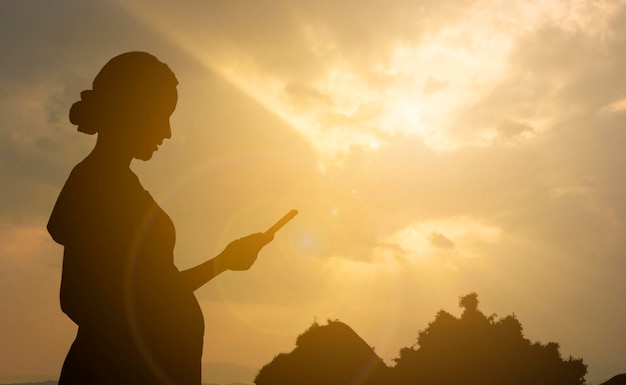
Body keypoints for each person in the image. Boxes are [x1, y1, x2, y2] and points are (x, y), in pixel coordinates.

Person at [47, 51, 273, 384]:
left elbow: (157, 290)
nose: (167, 133)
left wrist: (224, 261)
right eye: (161, 116)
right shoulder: (96, 185)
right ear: (131, 112)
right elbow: (78, 298)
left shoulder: (119, 185)